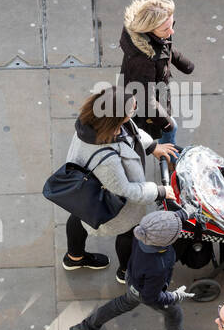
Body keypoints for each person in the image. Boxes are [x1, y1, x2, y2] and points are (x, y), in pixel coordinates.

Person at [62, 89, 178, 284]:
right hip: (106, 196)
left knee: (78, 217)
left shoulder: (93, 122)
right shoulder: (106, 158)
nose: (134, 111)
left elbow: (131, 132)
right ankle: (125, 272)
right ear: (116, 117)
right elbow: (124, 190)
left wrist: (152, 147)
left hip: (82, 193)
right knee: (128, 230)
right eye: (132, 109)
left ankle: (74, 257)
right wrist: (159, 191)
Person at [69, 211, 206, 330]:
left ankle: (85, 328)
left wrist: (186, 213)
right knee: (174, 312)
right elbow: (151, 296)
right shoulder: (158, 265)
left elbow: (163, 221)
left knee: (121, 304)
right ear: (167, 241)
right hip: (143, 290)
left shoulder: (143, 232)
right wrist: (174, 296)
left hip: (133, 276)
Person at [119, 0, 194, 145]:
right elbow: (147, 102)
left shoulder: (154, 37)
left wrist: (183, 63)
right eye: (166, 28)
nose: (171, 31)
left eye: (172, 24)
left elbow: (164, 47)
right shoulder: (143, 60)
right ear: (149, 29)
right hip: (142, 103)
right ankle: (170, 159)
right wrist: (167, 124)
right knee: (168, 129)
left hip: (155, 91)